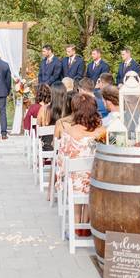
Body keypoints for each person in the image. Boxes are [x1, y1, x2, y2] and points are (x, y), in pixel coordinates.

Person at [55, 91, 106, 236]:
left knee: (75, 178)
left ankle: (77, 225)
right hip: (98, 183)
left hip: (75, 184)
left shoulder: (69, 132)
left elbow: (61, 161)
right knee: (89, 180)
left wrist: (60, 179)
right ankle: (86, 225)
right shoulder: (103, 132)